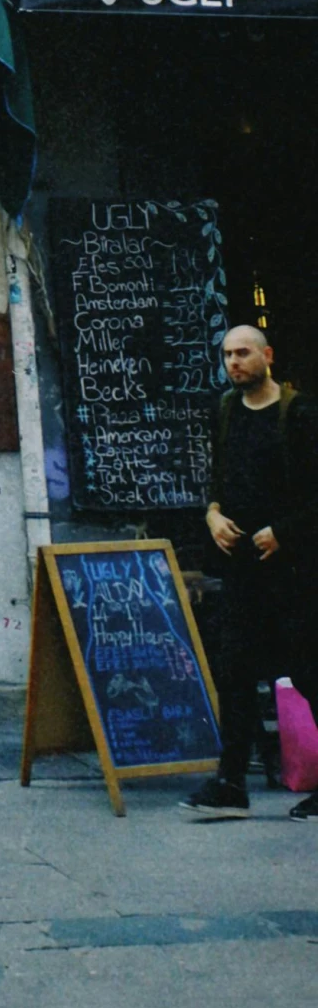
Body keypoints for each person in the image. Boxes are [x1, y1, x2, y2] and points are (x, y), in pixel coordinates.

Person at [182, 324, 318, 818]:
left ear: (268, 356)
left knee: (308, 670)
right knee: (234, 673)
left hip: (295, 570)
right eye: (227, 355)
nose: (234, 362)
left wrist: (284, 531)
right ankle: (230, 780)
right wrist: (212, 514)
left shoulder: (299, 413)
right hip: (242, 569)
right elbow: (218, 479)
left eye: (243, 353)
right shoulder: (225, 411)